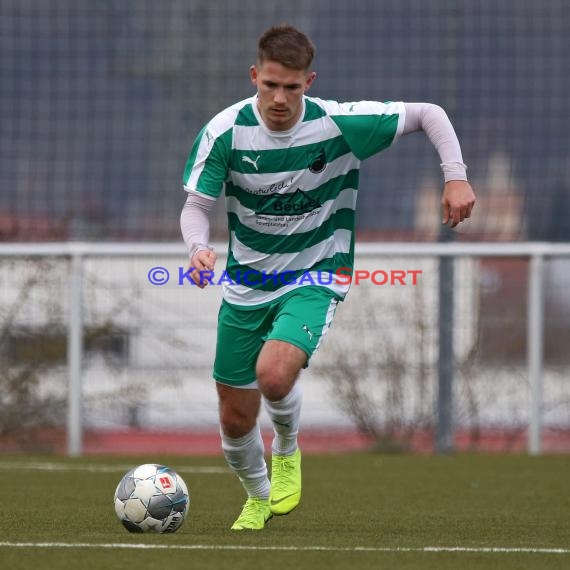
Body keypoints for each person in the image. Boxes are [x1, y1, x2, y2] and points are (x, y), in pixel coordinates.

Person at [180, 23, 475, 530]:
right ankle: (257, 495)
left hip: (317, 273)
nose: (278, 97)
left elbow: (430, 114)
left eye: (291, 87)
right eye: (270, 84)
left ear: (309, 82)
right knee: (233, 417)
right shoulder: (224, 132)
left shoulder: (337, 124)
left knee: (274, 373)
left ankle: (289, 448)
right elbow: (196, 206)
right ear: (254, 76)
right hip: (247, 283)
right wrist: (198, 248)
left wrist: (456, 176)